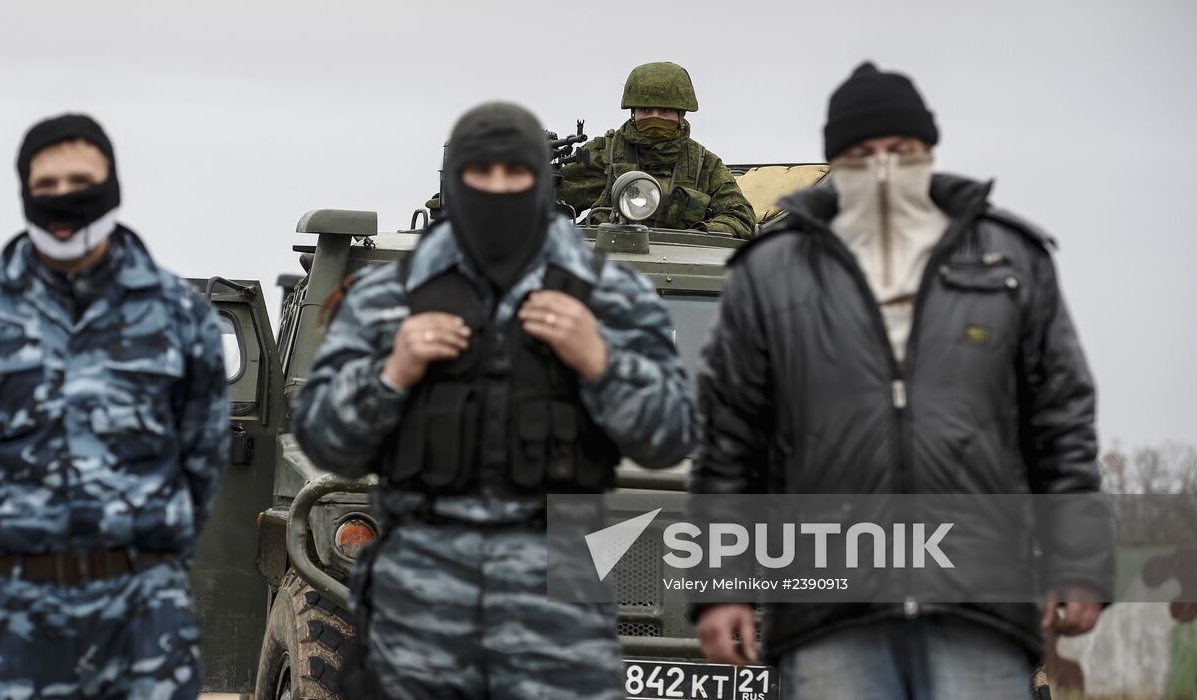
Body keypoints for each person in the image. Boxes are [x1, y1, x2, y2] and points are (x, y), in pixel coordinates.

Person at [693, 62, 1108, 699]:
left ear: (929, 152)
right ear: (836, 161)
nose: (883, 167)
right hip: (827, 610)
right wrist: (723, 588)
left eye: (900, 150)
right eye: (862, 154)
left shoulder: (1009, 261)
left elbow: (1061, 424)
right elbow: (731, 444)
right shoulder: (770, 274)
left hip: (979, 605)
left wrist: (1076, 561)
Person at [293, 101, 695, 699]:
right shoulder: (389, 297)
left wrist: (598, 361)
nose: (499, 191)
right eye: (483, 175)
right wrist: (393, 372)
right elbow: (323, 438)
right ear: (457, 183)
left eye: (517, 175)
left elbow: (670, 436)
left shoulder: (609, 296)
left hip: (559, 594)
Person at [0, 113, 229, 699]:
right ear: (26, 194)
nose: (65, 198)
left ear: (112, 185)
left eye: (80, 180)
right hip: (10, 616)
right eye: (47, 186)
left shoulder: (179, 315)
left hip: (142, 617)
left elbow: (201, 458)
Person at [558, 62, 756, 237]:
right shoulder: (602, 155)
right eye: (646, 110)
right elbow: (545, 201)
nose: (655, 117)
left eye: (665, 111)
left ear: (681, 114)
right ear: (633, 113)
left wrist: (696, 236)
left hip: (678, 268)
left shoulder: (704, 165)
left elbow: (741, 217)